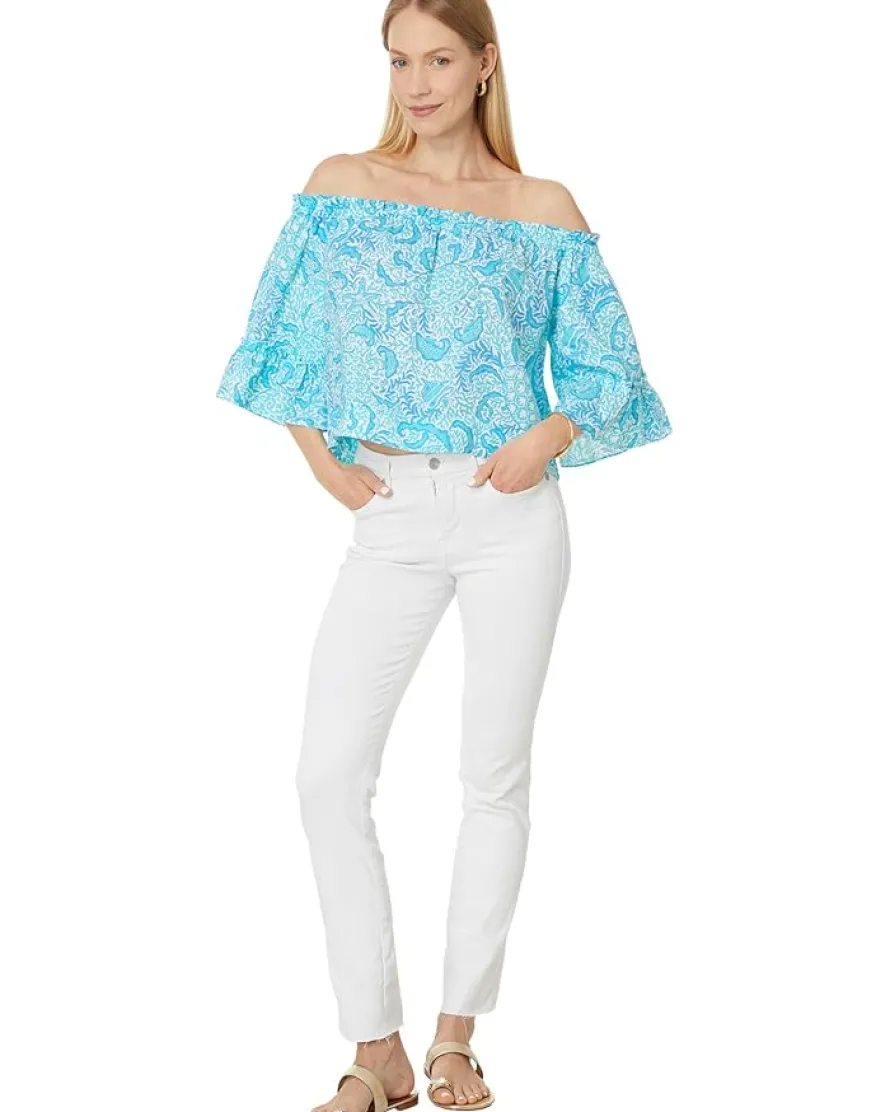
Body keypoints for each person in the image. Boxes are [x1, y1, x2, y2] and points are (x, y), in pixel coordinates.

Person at [216, 2, 672, 1109]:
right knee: (328, 773)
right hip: (390, 511)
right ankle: (373, 1048)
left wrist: (544, 436)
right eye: (396, 61)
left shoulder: (542, 207)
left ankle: (455, 1037)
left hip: (509, 512)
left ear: (483, 66)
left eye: (436, 59)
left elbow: (613, 376)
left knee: (491, 776)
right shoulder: (342, 186)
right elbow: (276, 338)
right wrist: (320, 463)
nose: (414, 83)